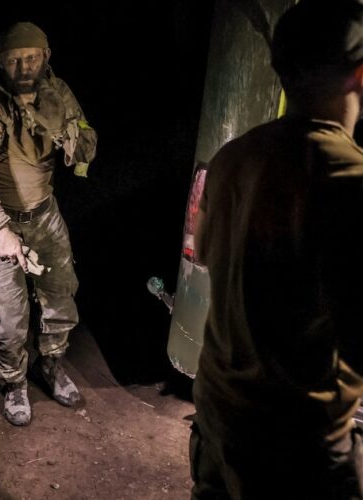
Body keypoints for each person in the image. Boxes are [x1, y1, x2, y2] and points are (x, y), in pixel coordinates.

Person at [191, 0, 363, 497]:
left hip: (220, 416)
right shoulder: (349, 179)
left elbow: (204, 253)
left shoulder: (231, 158)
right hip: (296, 445)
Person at [0, 22, 97, 426]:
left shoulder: (58, 92)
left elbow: (86, 134)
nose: (25, 66)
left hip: (45, 215)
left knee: (60, 295)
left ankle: (51, 363)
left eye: (33, 57)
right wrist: (1, 231)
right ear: (2, 62)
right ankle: (13, 380)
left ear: (46, 56)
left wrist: (79, 141)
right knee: (6, 314)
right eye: (15, 59)